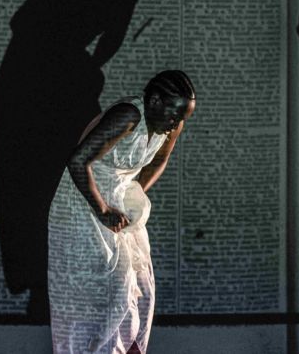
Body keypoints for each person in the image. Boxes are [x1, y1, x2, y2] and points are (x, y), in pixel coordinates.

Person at [0, 0, 152, 318]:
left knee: (63, 178)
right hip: (28, 79)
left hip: (57, 78)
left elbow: (108, 42)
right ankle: (38, 281)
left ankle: (57, 279)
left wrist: (84, 69)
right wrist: (78, 67)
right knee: (30, 182)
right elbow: (27, 24)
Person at [48, 70, 196, 354]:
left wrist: (134, 191)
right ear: (154, 101)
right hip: (82, 203)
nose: (177, 123)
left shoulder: (171, 126)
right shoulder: (128, 116)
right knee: (107, 292)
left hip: (118, 205)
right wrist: (102, 208)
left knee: (141, 288)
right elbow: (78, 161)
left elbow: (158, 162)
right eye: (174, 115)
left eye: (183, 118)